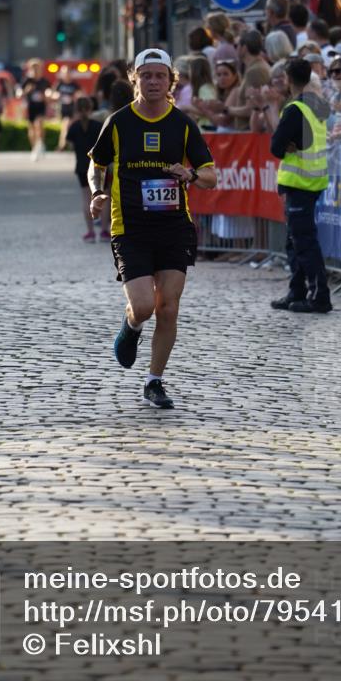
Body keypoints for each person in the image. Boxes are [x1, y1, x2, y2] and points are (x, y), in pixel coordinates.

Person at [88, 48, 217, 410]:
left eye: (161, 75)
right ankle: (131, 327)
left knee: (170, 307)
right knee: (144, 305)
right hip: (130, 227)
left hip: (174, 226)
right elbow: (96, 164)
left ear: (170, 81)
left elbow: (211, 175)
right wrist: (98, 191)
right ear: (135, 79)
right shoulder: (117, 122)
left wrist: (189, 174)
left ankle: (154, 380)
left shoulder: (183, 124)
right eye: (147, 75)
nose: (154, 82)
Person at [270, 58, 332, 313]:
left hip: (299, 182)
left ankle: (320, 296)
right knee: (294, 240)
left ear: (287, 78)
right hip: (313, 180)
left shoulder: (295, 108)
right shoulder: (319, 105)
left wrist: (287, 144)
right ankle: (297, 291)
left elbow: (275, 146)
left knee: (304, 242)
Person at [66, 97, 107, 243]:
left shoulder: (74, 127)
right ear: (91, 108)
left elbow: (70, 145)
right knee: (102, 197)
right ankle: (104, 231)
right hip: (98, 166)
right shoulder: (98, 126)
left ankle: (90, 232)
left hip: (81, 167)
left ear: (76, 109)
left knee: (86, 199)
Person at [21, 59, 52, 160]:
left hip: (41, 107)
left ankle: (40, 144)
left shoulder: (44, 81)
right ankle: (34, 148)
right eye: (33, 68)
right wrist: (26, 90)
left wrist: (47, 96)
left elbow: (49, 92)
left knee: (39, 124)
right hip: (31, 107)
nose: (35, 70)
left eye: (37, 68)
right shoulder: (27, 80)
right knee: (31, 128)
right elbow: (19, 93)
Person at [54, 65, 80, 151]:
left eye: (68, 72)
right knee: (65, 127)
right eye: (64, 73)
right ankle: (66, 145)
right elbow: (53, 94)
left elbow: (80, 95)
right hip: (62, 108)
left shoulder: (74, 85)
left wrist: (75, 97)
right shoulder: (59, 84)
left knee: (67, 126)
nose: (66, 75)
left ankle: (63, 145)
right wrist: (56, 96)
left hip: (72, 109)